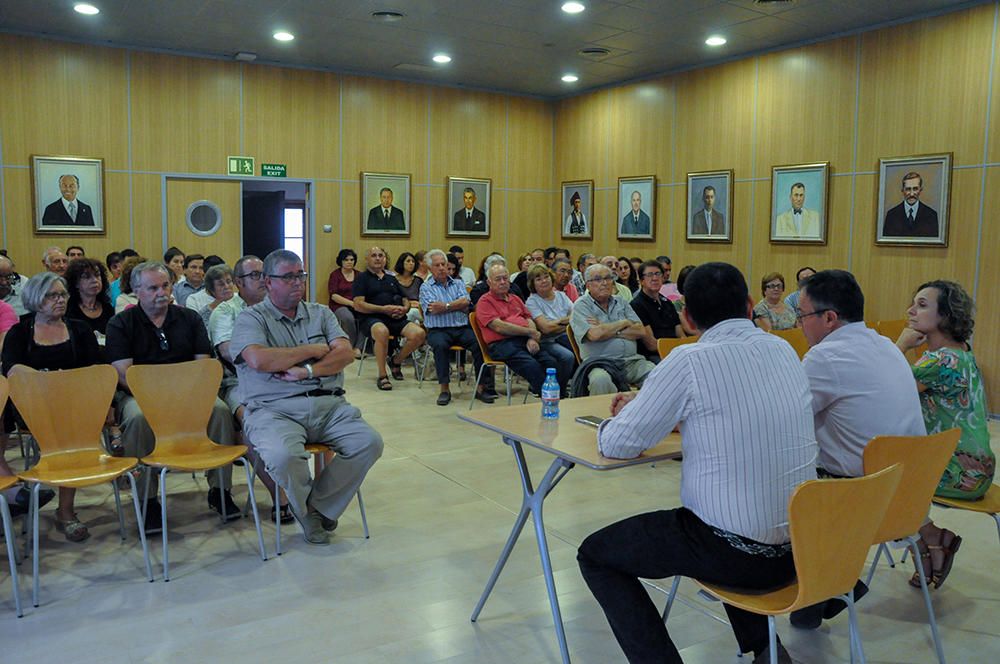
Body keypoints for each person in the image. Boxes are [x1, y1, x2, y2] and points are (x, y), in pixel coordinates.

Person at [577, 262, 816, 664]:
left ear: (687, 317)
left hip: (735, 554)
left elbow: (620, 443)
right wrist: (656, 404)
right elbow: (733, 410)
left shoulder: (688, 361)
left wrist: (618, 418)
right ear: (751, 304)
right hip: (805, 549)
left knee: (596, 555)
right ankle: (764, 651)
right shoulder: (783, 349)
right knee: (733, 511)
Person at [788, 269, 924, 630]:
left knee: (766, 486)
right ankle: (823, 595)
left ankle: (822, 589)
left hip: (855, 502)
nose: (799, 324)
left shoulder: (825, 358)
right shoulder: (884, 344)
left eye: (802, 316)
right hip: (904, 499)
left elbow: (784, 418)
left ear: (829, 318)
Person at [229, 249, 384, 545]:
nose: (297, 282)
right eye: (288, 277)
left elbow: (345, 354)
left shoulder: (321, 314)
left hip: (328, 404)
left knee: (369, 442)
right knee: (282, 455)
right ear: (268, 282)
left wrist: (307, 371)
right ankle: (312, 511)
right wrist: (312, 350)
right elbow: (259, 360)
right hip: (274, 409)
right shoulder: (251, 318)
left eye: (300, 275)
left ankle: (316, 508)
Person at [105, 261, 238, 533]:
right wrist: (158, 394)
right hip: (139, 397)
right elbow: (123, 375)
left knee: (220, 410)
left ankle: (220, 490)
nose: (161, 293)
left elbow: (202, 366)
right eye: (153, 288)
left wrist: (182, 392)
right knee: (138, 418)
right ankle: (148, 500)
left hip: (188, 394)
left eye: (165, 286)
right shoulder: (121, 323)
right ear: (136, 291)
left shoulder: (189, 318)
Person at [896, 280, 992, 589]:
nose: (911, 310)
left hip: (957, 472)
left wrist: (900, 346)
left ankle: (930, 540)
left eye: (922, 305)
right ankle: (929, 543)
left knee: (879, 481)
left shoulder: (939, 360)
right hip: (977, 468)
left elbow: (887, 389)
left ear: (946, 316)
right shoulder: (962, 352)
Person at [1, 273, 103, 542]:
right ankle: (53, 504)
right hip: (33, 406)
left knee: (70, 428)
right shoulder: (20, 331)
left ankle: (65, 511)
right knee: (63, 428)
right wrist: (45, 381)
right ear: (35, 298)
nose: (60, 300)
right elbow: (11, 369)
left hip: (76, 404)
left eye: (63, 295)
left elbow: (95, 370)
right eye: (52, 295)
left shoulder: (79, 329)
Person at [207, 255, 291, 524]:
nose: (262, 280)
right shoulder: (225, 311)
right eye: (254, 275)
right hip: (238, 383)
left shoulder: (277, 305)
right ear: (238, 282)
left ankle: (315, 493)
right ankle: (279, 496)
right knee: (252, 424)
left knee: (318, 409)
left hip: (282, 377)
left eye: (264, 274)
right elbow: (229, 353)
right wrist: (274, 360)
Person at [476, 263, 572, 396]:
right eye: (498, 279)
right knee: (533, 366)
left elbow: (529, 319)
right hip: (501, 345)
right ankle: (550, 397)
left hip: (524, 340)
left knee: (551, 362)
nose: (503, 282)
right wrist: (529, 332)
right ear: (489, 282)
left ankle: (556, 394)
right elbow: (499, 326)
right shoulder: (485, 302)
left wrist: (532, 338)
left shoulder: (515, 298)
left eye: (505, 278)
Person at [419, 249, 492, 406]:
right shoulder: (425, 287)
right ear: (430, 268)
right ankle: (444, 389)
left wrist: (444, 305)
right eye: (437, 265)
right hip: (438, 330)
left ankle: (481, 388)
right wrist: (455, 305)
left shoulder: (459, 283)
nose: (441, 268)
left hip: (461, 328)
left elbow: (466, 303)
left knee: (480, 343)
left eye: (443, 264)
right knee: (440, 346)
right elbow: (433, 308)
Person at [571, 263, 654, 394]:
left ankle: (645, 414)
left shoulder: (621, 301)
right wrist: (624, 322)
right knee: (600, 380)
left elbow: (640, 331)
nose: (604, 283)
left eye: (608, 278)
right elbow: (594, 335)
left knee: (657, 373)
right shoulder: (581, 306)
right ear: (588, 285)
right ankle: (604, 414)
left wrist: (606, 328)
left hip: (631, 361)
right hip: (600, 363)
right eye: (598, 279)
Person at [352, 246, 426, 391]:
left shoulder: (391, 278)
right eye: (374, 255)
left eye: (381, 255)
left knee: (419, 334)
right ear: (367, 259)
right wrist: (383, 309)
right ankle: (382, 375)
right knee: (382, 331)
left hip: (395, 317)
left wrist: (405, 308)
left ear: (385, 259)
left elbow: (405, 298)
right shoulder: (361, 278)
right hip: (372, 318)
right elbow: (358, 305)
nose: (378, 258)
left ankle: (396, 361)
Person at [524, 263, 577, 390]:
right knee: (567, 356)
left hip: (565, 336)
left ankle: (578, 385)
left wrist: (557, 323)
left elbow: (577, 317)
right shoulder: (532, 302)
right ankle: (558, 389)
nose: (544, 281)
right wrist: (568, 322)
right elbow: (545, 329)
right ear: (533, 284)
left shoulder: (561, 296)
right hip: (546, 341)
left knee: (585, 348)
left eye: (546, 276)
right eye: (539, 279)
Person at [630, 260, 683, 363]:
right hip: (653, 356)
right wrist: (678, 346)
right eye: (650, 275)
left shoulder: (667, 302)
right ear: (641, 281)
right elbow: (651, 345)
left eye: (658, 274)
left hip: (674, 351)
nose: (655, 278)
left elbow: (681, 335)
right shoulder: (636, 305)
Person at [64, 257, 114, 340]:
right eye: (87, 277)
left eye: (97, 275)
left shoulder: (108, 308)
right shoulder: (69, 310)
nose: (95, 280)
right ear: (76, 283)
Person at [883, 172, 939, 237]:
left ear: (920, 190)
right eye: (908, 189)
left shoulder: (931, 215)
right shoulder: (891, 215)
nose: (912, 194)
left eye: (915, 189)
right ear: (902, 190)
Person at [327, 248, 361, 352]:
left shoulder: (360, 275)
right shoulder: (335, 275)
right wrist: (351, 303)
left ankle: (359, 347)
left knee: (367, 318)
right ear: (341, 261)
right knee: (348, 318)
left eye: (351, 259)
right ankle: (349, 346)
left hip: (358, 304)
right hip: (339, 305)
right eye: (346, 260)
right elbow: (334, 296)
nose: (349, 262)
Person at [393, 252, 424, 324]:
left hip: (418, 310)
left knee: (412, 313)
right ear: (401, 263)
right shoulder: (393, 280)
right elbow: (393, 299)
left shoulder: (418, 281)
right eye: (408, 261)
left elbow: (424, 299)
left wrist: (418, 304)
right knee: (416, 322)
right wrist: (409, 303)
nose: (411, 263)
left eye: (413, 261)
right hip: (401, 310)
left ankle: (403, 332)